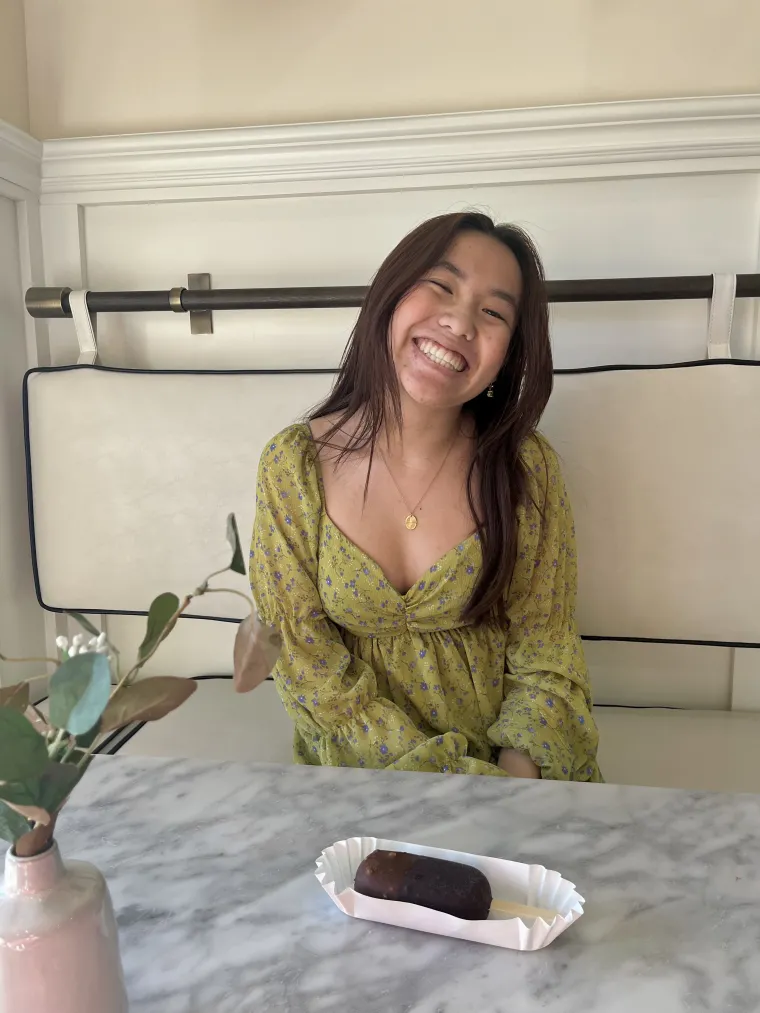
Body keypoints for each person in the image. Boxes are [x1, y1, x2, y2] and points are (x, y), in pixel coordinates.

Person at [249, 211, 601, 781]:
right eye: (441, 285)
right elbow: (302, 659)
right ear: (392, 293)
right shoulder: (293, 466)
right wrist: (442, 782)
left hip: (509, 783)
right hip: (359, 775)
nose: (460, 322)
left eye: (492, 312)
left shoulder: (526, 469)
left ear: (509, 352)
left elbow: (546, 651)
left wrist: (509, 786)